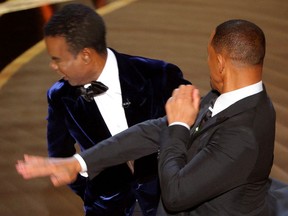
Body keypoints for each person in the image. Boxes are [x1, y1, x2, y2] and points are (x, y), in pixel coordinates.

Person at [17, 19, 277, 215]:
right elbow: (153, 131)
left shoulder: (244, 134)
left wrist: (177, 126)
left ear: (220, 62)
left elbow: (176, 194)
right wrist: (78, 162)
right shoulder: (229, 95)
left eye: (208, 55)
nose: (207, 62)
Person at [34, 3, 190, 216]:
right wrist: (94, 194)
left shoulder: (159, 75)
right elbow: (61, 156)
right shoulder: (60, 96)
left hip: (168, 205)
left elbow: (192, 134)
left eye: (57, 59)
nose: (53, 66)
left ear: (86, 55)